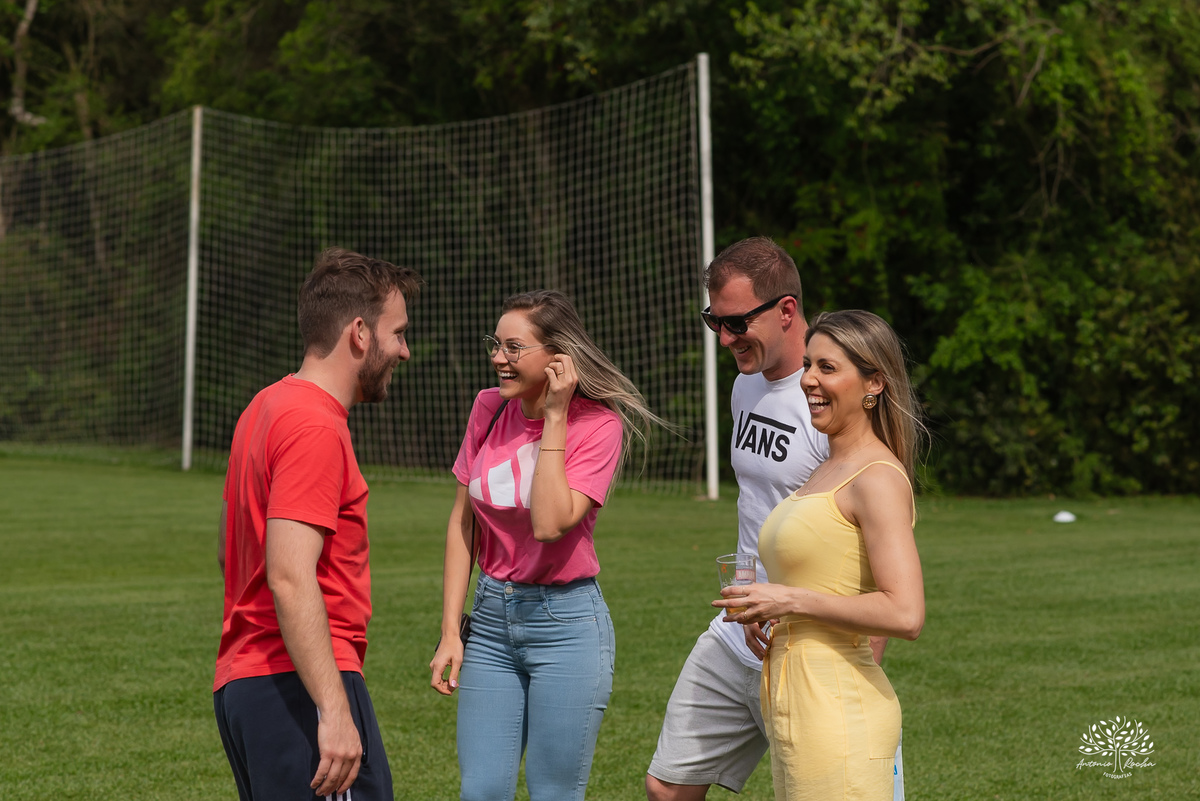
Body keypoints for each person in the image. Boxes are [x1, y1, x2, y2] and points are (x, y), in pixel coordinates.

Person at [646, 237, 898, 801]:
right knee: (667, 788)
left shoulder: (832, 403)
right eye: (715, 322)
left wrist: (859, 670)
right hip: (741, 629)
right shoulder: (744, 385)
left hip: (813, 648)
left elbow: (880, 559)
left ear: (786, 310)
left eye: (737, 322)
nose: (725, 338)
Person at [430, 289, 663, 801]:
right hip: (490, 622)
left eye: (514, 347)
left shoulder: (597, 425)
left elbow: (550, 523)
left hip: (567, 627)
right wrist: (452, 631)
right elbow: (462, 523)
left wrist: (555, 417)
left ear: (558, 357)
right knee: (481, 791)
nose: (497, 357)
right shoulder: (488, 408)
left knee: (554, 792)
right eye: (496, 344)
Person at [213, 247, 422, 801]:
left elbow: (229, 551)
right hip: (294, 685)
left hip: (249, 685)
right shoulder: (314, 426)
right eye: (398, 333)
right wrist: (332, 709)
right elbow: (286, 572)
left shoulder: (264, 407)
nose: (405, 351)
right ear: (359, 332)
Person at [714, 309, 925, 801]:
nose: (809, 379)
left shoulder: (876, 478)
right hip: (798, 708)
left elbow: (905, 611)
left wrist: (788, 600)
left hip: (840, 715)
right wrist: (762, 606)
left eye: (828, 368)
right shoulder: (828, 468)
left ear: (874, 383)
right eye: (809, 364)